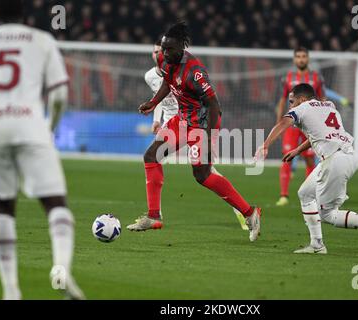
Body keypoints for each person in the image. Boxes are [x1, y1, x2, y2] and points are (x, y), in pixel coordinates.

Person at [0, 0, 84, 299]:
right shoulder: (42, 40)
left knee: (3, 207)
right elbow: (59, 97)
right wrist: (49, 129)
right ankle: (62, 269)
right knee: (55, 203)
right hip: (30, 126)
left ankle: (11, 290)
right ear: (24, 14)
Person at [127, 22, 261, 241]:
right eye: (162, 48)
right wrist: (153, 102)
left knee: (202, 175)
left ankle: (249, 213)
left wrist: (207, 137)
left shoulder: (195, 72)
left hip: (203, 123)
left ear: (181, 47)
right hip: (182, 120)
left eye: (169, 49)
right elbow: (168, 84)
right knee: (151, 155)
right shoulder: (166, 60)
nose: (164, 53)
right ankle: (153, 216)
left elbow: (214, 105)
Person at [257, 83, 358, 253]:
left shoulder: (302, 108)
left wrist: (265, 145)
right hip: (346, 155)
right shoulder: (328, 106)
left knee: (328, 214)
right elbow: (319, 134)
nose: (291, 106)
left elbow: (282, 124)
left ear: (302, 99)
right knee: (305, 194)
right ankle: (316, 244)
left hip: (335, 160)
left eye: (292, 102)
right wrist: (297, 150)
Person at [274, 47, 323, 206]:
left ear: (307, 58)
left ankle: (313, 194)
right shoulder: (287, 78)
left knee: (310, 159)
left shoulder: (317, 77)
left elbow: (322, 98)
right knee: (286, 157)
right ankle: (283, 195)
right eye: (298, 57)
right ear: (295, 59)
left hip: (310, 125)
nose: (301, 59)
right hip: (292, 125)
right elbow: (282, 100)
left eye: (304, 56)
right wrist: (279, 123)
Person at [144, 39, 179, 134]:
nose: (158, 55)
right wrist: (156, 120)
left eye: (162, 52)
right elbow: (158, 98)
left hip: (187, 121)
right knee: (158, 148)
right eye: (155, 52)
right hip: (168, 122)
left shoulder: (179, 73)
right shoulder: (149, 76)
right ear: (152, 55)